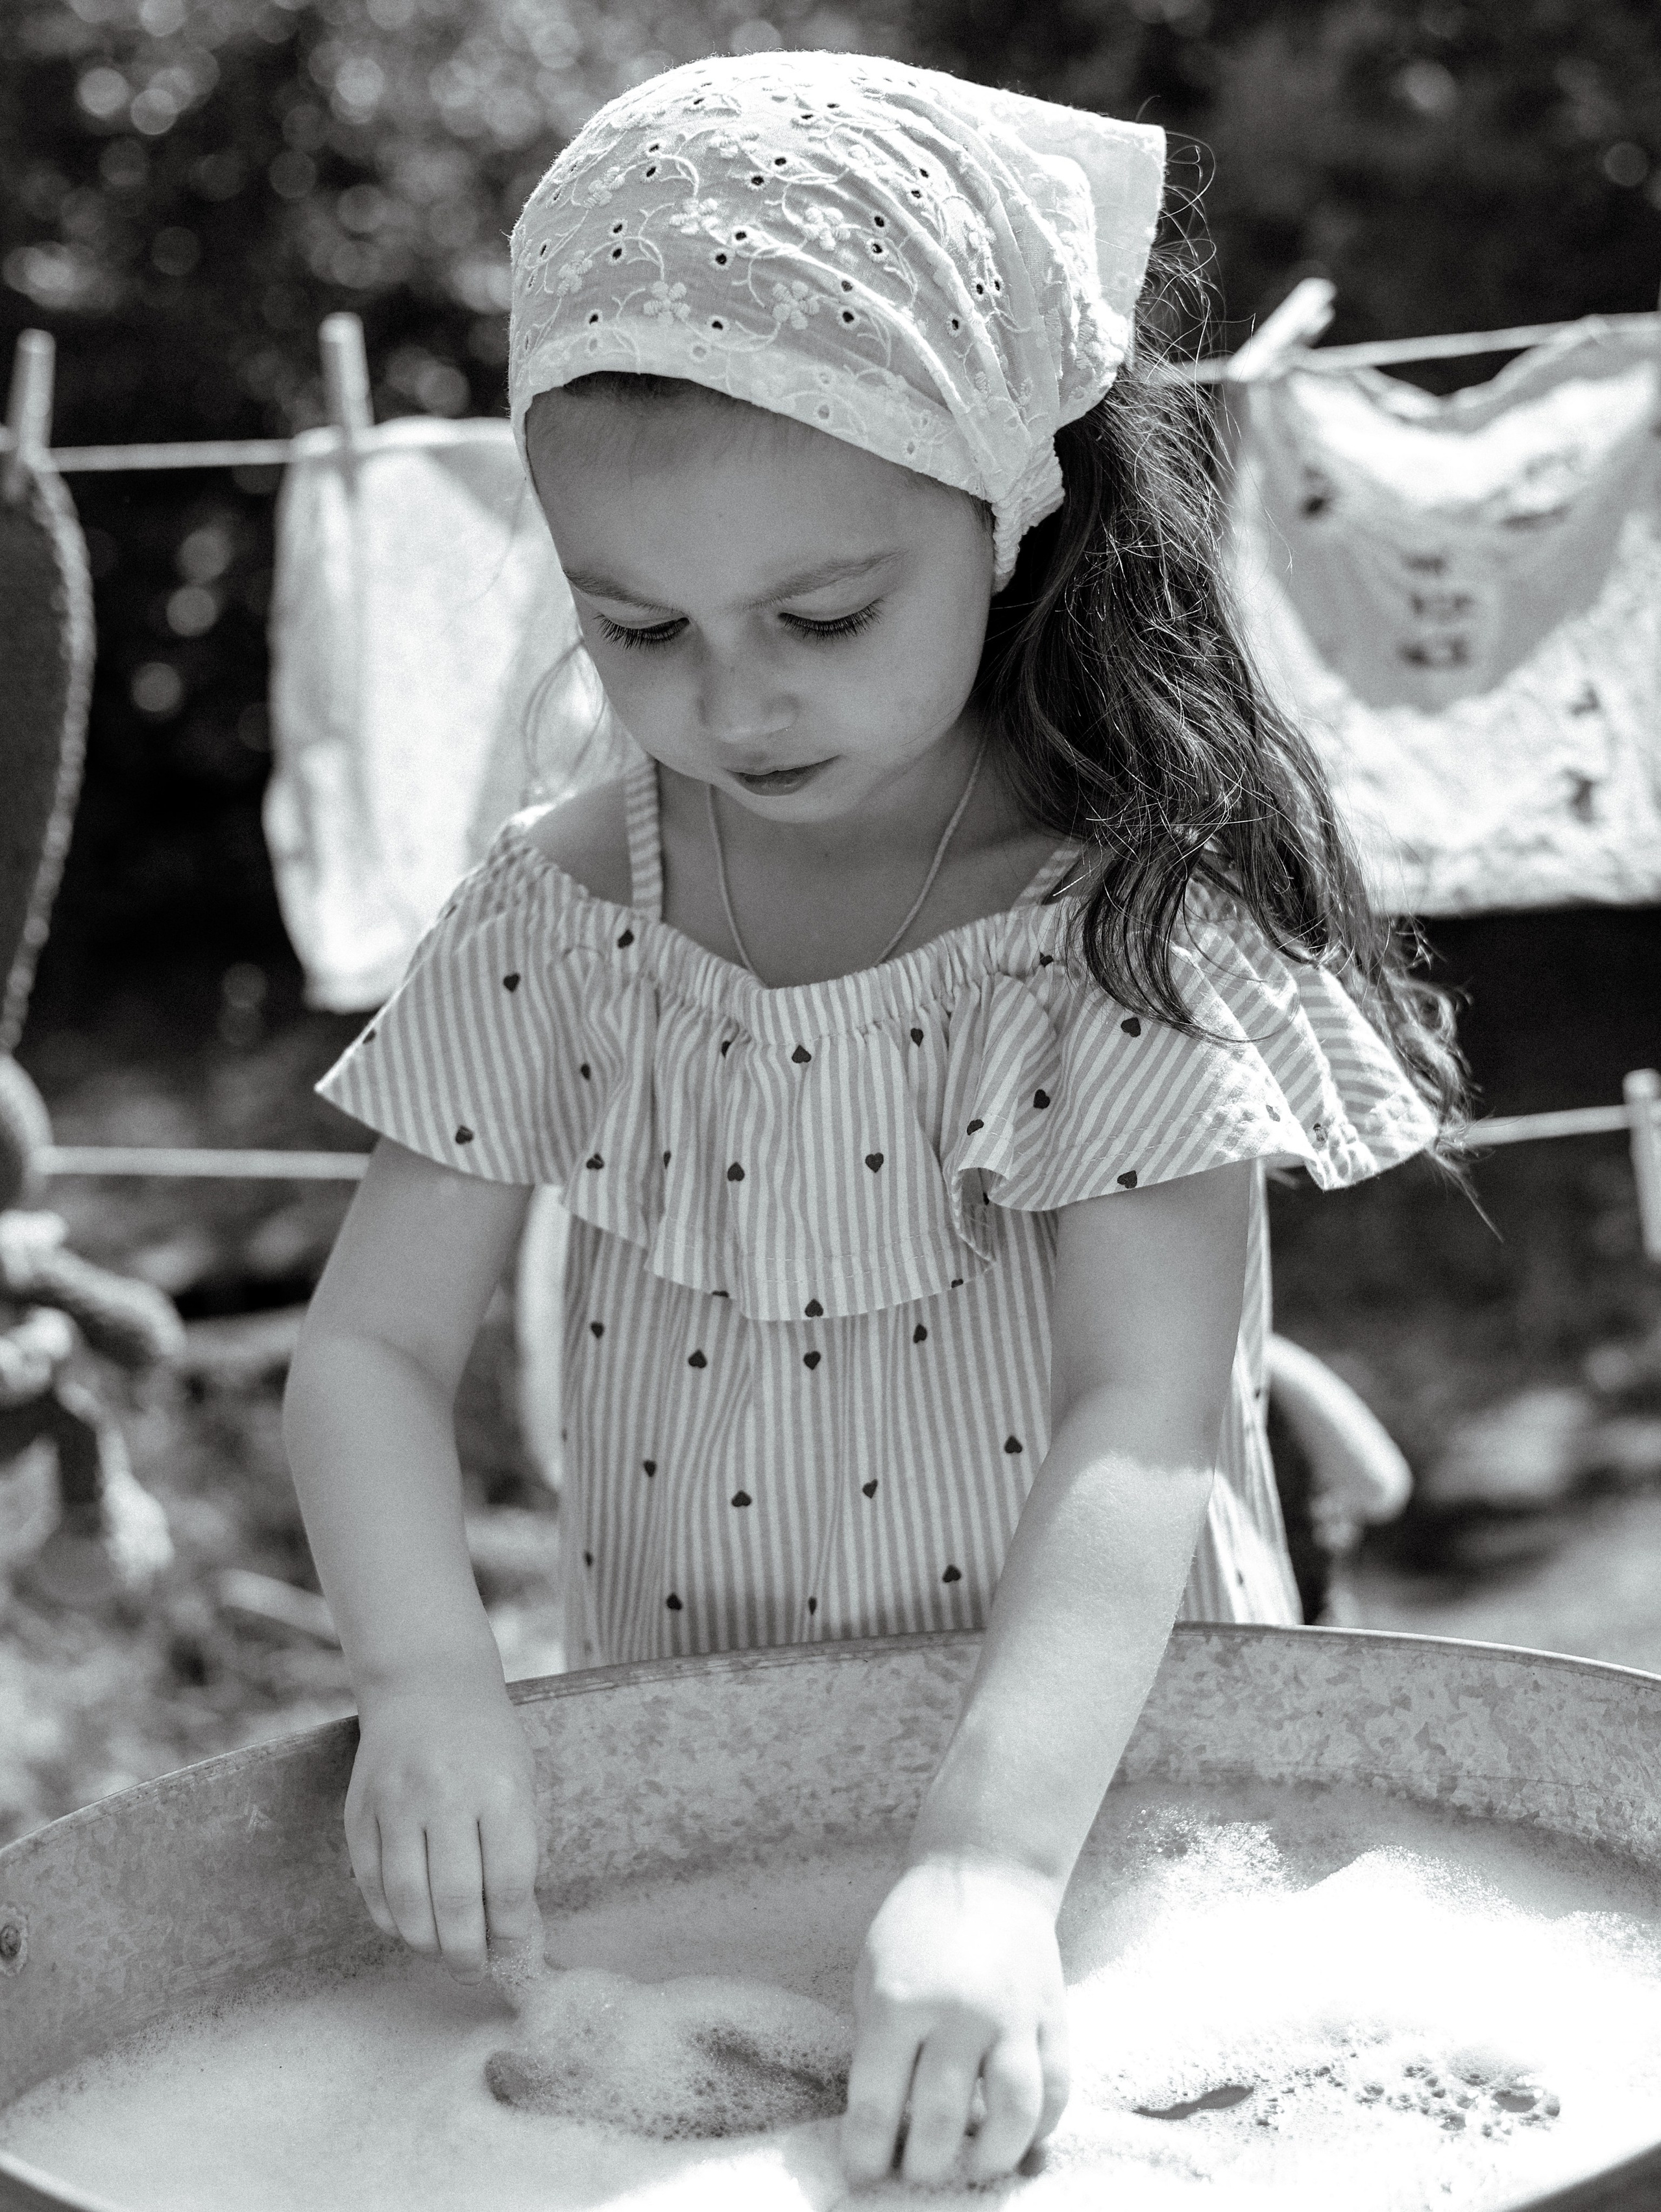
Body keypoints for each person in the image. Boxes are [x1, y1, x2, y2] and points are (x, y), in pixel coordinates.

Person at [283, 49, 1466, 2194]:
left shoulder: (1102, 927)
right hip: (696, 1753)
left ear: (1004, 519)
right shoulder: (563, 914)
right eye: (635, 625)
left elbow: (1143, 1414)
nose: (733, 703)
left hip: (1095, 1791)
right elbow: (367, 1347)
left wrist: (993, 1866)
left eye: (823, 617)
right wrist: (425, 1675)